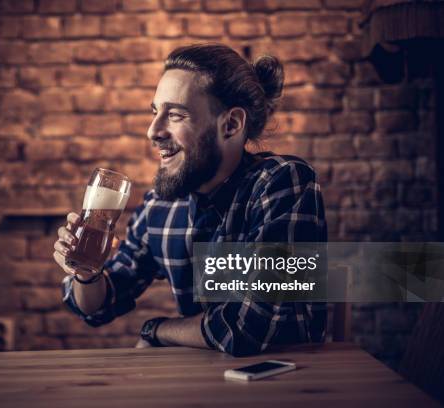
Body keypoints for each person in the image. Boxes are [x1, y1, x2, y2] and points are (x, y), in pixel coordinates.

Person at [53, 43, 327, 356]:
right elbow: (98, 307)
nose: (153, 131)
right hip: (202, 385)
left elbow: (251, 327)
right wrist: (88, 275)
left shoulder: (281, 182)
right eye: (155, 113)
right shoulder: (160, 206)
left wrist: (156, 330)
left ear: (231, 124)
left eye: (176, 115)